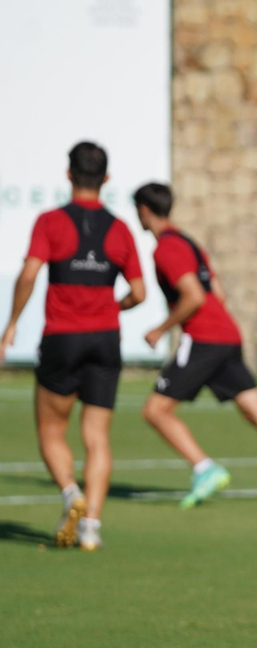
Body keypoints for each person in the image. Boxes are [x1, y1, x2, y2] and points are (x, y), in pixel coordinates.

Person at [132, 183, 257, 508]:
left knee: (155, 411)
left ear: (143, 210)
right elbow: (218, 294)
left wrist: (160, 329)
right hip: (227, 334)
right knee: (255, 410)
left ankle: (203, 468)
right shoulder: (189, 243)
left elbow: (194, 295)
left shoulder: (166, 248)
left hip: (205, 337)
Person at [1, 142, 145, 551]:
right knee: (97, 436)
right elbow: (139, 292)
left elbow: (29, 274)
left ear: (68, 175)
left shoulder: (50, 221)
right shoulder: (119, 229)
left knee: (51, 430)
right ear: (107, 180)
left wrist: (10, 324)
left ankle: (70, 492)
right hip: (105, 341)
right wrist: (113, 307)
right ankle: (91, 527)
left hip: (62, 339)